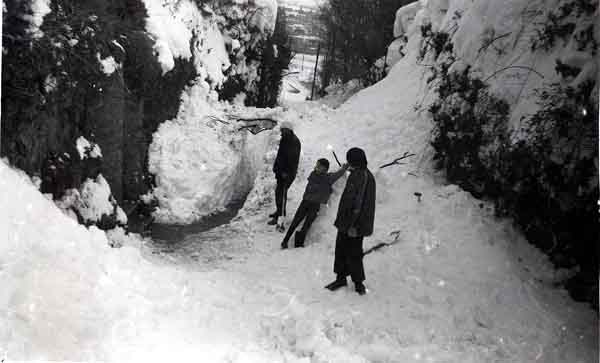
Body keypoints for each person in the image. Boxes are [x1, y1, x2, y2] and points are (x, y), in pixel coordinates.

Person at [324, 147, 376, 295]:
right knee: (340, 249)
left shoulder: (364, 177)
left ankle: (358, 283)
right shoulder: (357, 173)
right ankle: (340, 278)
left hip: (355, 223)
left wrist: (354, 226)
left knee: (354, 252)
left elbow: (360, 204)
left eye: (350, 160)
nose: (348, 163)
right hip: (346, 220)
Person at [281, 158, 348, 249]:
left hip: (315, 205)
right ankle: (285, 241)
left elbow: (338, 174)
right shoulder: (313, 174)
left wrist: (344, 167)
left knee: (307, 224)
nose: (316, 167)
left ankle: (299, 244)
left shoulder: (328, 178)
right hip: (305, 202)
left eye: (318, 166)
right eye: (316, 165)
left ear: (324, 169)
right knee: (295, 221)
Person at [268, 121, 301, 225]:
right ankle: (279, 212)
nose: (281, 132)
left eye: (283, 130)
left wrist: (286, 172)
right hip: (281, 172)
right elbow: (281, 155)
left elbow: (292, 159)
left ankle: (280, 218)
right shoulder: (286, 139)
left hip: (287, 173)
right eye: (281, 130)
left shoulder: (294, 142)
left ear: (288, 130)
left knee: (281, 194)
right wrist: (277, 168)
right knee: (279, 193)